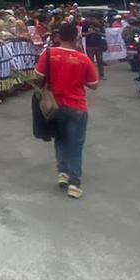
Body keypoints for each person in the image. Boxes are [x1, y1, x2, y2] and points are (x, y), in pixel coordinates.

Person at [34, 23, 99, 199]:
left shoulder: (47, 54)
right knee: (75, 145)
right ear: (75, 37)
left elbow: (37, 77)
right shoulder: (83, 59)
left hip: (55, 106)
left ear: (58, 37)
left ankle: (62, 173)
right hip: (77, 107)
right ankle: (74, 184)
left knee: (60, 139)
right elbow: (94, 85)